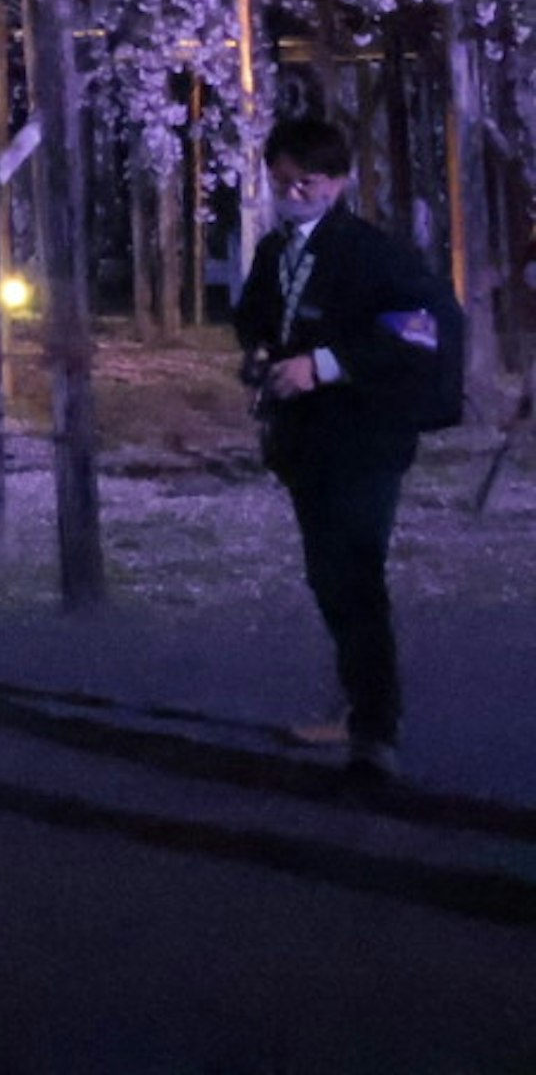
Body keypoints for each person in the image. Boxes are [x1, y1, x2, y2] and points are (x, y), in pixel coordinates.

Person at [234, 113, 447, 781]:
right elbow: (257, 318)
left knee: (354, 575)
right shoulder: (275, 252)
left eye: (309, 182)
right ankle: (357, 705)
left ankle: (376, 731)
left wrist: (323, 365)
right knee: (330, 577)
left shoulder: (372, 254)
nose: (293, 193)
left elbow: (418, 334)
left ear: (340, 183)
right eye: (283, 181)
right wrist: (263, 355)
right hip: (305, 441)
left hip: (365, 436)